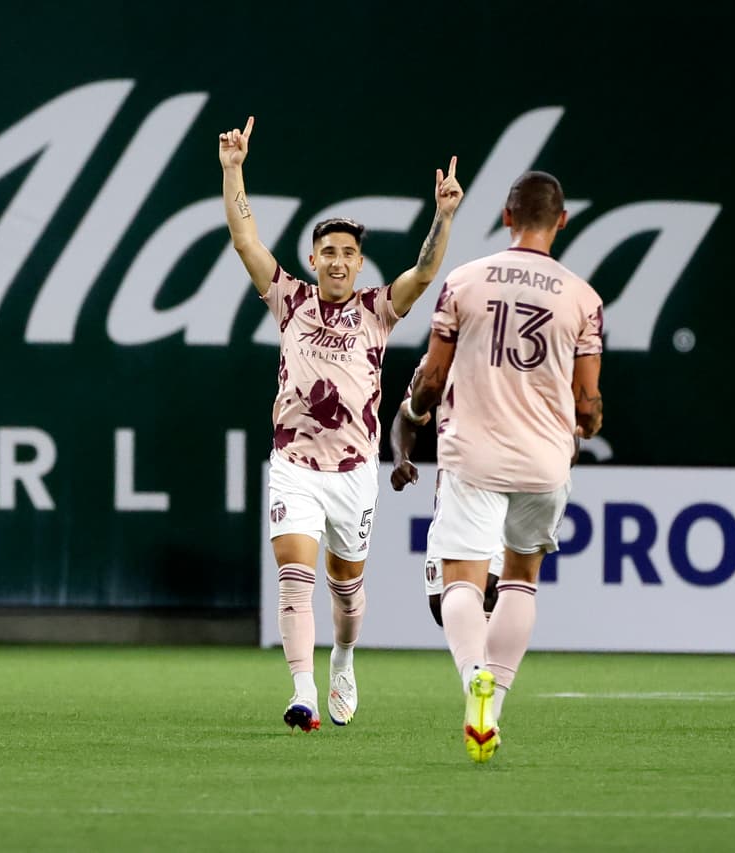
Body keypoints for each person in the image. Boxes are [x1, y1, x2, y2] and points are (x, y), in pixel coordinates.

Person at [219, 115, 463, 732]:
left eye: (348, 253)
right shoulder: (290, 299)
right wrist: (233, 169)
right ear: (313, 257)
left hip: (354, 473)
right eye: (328, 250)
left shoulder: (378, 310)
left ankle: (345, 658)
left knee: (347, 593)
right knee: (294, 578)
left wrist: (444, 216)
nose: (337, 260)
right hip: (294, 466)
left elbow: (426, 274)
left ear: (358, 263)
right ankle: (302, 691)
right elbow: (247, 241)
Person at [405, 170, 603, 762]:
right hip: (545, 460)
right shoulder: (583, 297)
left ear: (507, 216)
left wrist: (415, 408)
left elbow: (433, 378)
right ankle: (497, 695)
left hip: (474, 453)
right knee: (520, 579)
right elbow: (589, 402)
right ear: (562, 221)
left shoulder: (464, 282)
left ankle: (474, 680)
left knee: (462, 580)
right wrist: (584, 423)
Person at [388, 358, 503, 627]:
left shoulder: (517, 355)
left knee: (488, 588)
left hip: (503, 486)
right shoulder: (438, 363)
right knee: (442, 604)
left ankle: (487, 668)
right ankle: (476, 666)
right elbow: (407, 417)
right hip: (453, 493)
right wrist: (400, 458)